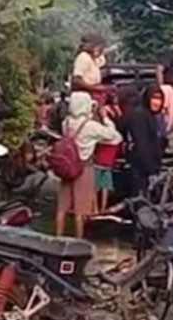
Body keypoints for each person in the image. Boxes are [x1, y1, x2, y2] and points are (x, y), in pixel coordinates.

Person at [55, 91, 121, 239]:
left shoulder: (65, 123)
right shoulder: (90, 126)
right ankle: (79, 240)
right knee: (81, 210)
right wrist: (105, 117)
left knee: (62, 207)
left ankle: (57, 237)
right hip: (84, 167)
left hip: (67, 167)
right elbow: (111, 135)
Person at [123, 84, 167, 197]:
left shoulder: (153, 116)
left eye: (159, 99)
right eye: (154, 98)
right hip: (141, 168)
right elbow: (142, 143)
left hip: (149, 167)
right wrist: (151, 169)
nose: (157, 102)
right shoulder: (139, 115)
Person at [71, 34, 107, 103]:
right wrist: (95, 88)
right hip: (83, 96)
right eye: (100, 49)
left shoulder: (94, 60)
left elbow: (102, 61)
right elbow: (76, 80)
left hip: (92, 95)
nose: (101, 51)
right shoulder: (84, 57)